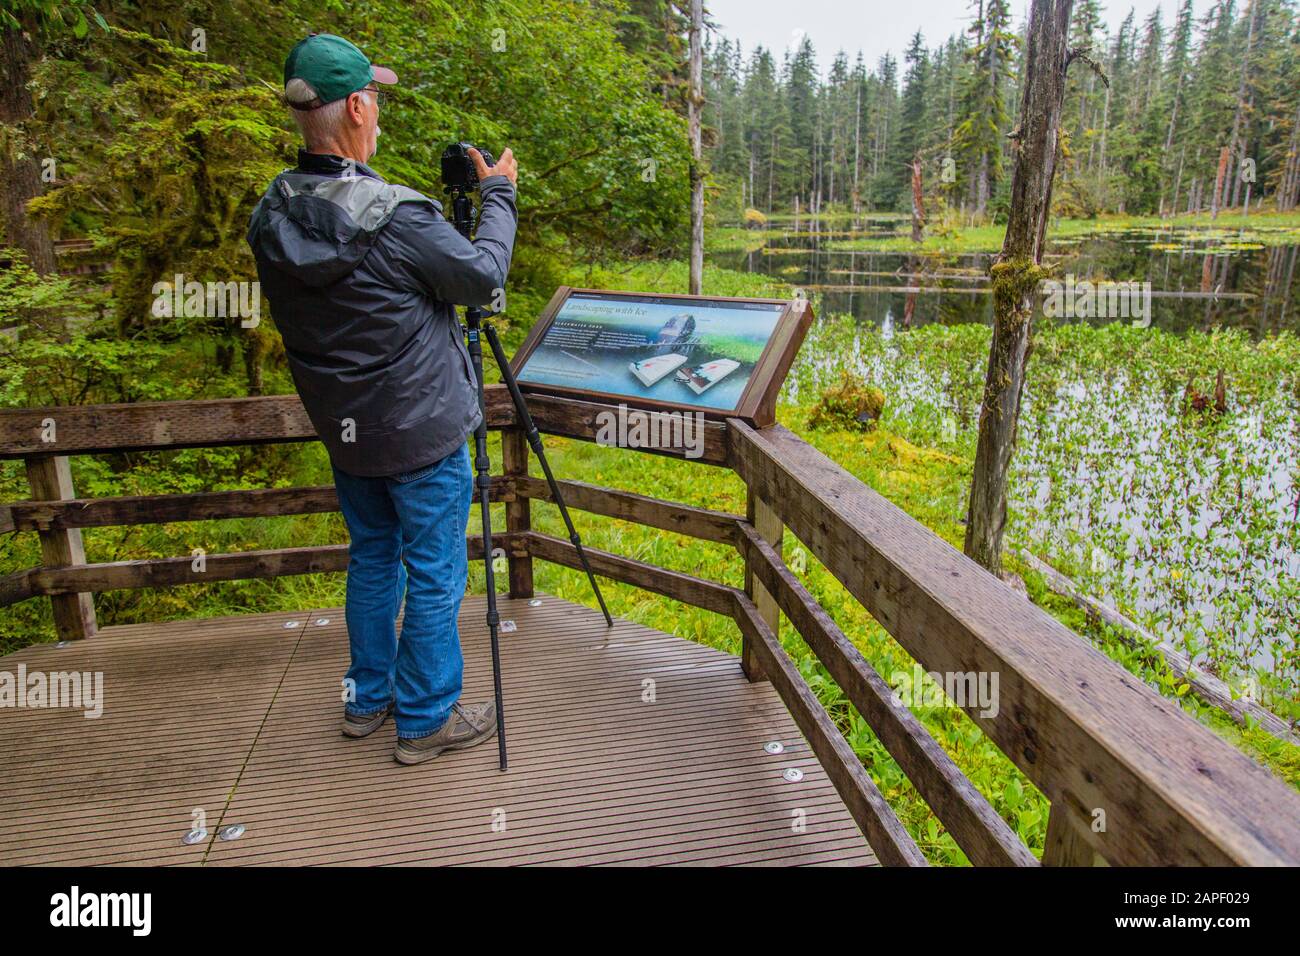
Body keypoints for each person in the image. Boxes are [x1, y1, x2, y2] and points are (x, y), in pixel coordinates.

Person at [246, 33, 519, 765]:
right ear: (359, 108)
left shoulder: (272, 212)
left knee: (372, 559)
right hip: (422, 431)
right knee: (435, 572)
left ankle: (367, 699)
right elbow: (483, 277)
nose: (379, 109)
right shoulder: (397, 217)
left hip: (347, 433)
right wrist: (498, 194)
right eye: (376, 96)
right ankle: (425, 718)